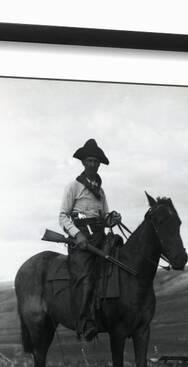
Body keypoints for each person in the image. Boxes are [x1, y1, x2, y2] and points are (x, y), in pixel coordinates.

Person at [59, 139, 121, 341]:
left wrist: (111, 219)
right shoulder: (73, 187)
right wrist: (77, 234)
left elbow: (104, 216)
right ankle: (85, 323)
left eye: (96, 161)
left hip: (99, 237)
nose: (94, 164)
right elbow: (63, 216)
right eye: (90, 160)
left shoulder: (100, 191)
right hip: (81, 239)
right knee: (85, 277)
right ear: (84, 163)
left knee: (117, 266)